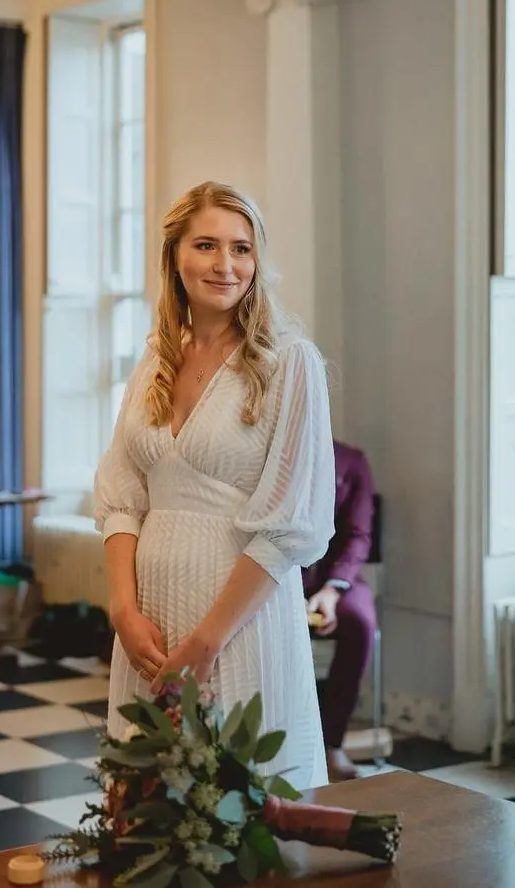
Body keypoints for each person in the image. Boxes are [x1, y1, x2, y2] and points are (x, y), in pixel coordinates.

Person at [95, 181, 336, 790]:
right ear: (175, 256)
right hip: (148, 620)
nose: (226, 265)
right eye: (206, 245)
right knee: (148, 807)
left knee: (238, 808)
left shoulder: (289, 363)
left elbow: (290, 526)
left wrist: (206, 643)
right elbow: (122, 497)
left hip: (238, 627)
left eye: (242, 248)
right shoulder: (154, 360)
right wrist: (123, 609)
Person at [303, 440, 377, 782]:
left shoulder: (353, 460)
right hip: (282, 574)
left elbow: (358, 536)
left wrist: (332, 591)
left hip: (336, 577)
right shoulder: (272, 453)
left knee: (361, 624)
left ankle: (332, 743)